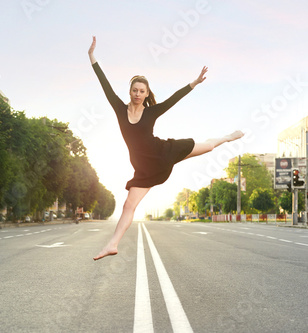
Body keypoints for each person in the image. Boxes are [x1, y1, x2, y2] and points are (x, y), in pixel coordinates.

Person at [89, 36, 244, 261]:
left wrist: (195, 82)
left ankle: (228, 137)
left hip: (163, 153)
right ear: (130, 91)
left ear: (146, 94)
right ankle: (112, 244)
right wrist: (92, 56)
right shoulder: (119, 109)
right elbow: (104, 84)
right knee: (128, 206)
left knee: (207, 147)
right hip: (144, 169)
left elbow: (173, 99)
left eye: (142, 91)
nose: (138, 94)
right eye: (135, 90)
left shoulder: (151, 112)